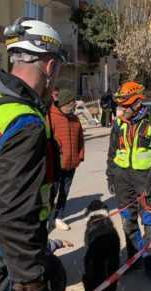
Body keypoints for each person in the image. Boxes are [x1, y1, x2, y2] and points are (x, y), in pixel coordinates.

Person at [0, 17, 67, 291]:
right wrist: (30, 282)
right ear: (50, 66)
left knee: (57, 273)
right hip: (1, 257)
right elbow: (14, 215)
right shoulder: (25, 122)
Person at [106, 81, 151, 286]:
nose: (122, 110)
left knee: (150, 222)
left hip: (146, 181)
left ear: (138, 103)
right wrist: (111, 176)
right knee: (127, 220)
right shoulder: (118, 123)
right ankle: (134, 260)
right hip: (122, 180)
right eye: (121, 106)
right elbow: (112, 152)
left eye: (125, 106)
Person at [48, 88, 85, 231]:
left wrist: (80, 156)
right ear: (63, 103)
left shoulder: (75, 119)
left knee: (65, 191)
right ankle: (48, 218)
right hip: (55, 165)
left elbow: (80, 139)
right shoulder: (51, 117)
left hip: (71, 164)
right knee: (52, 193)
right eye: (71, 103)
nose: (74, 105)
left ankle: (58, 217)